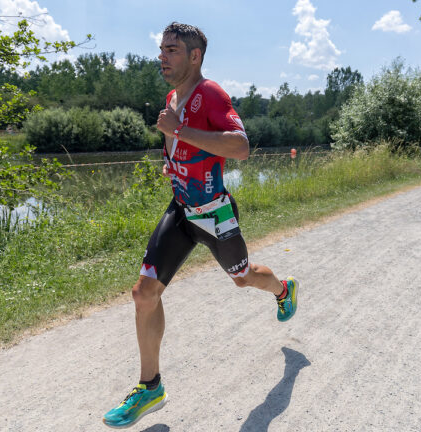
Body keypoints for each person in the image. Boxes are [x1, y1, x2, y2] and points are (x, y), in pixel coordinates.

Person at [102, 22, 299, 429]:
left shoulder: (211, 94)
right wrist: (172, 161)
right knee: (143, 293)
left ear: (195, 56)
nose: (162, 56)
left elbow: (240, 147)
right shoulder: (174, 96)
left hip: (213, 213)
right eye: (161, 49)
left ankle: (283, 289)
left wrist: (179, 132)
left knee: (243, 279)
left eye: (172, 50)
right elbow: (186, 146)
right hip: (181, 210)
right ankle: (149, 386)